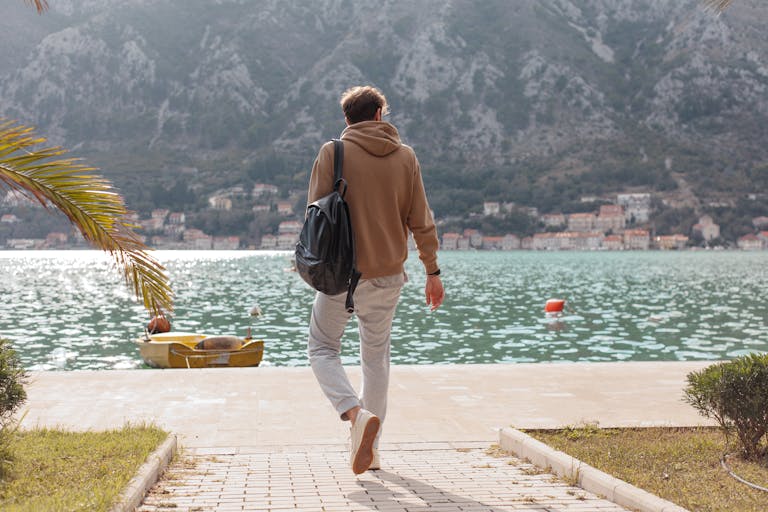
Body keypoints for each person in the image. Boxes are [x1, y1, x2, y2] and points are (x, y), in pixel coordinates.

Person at [306, 85, 444, 475]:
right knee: (376, 360)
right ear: (380, 115)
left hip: (340, 276)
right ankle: (374, 451)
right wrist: (432, 272)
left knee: (321, 348)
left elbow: (315, 215)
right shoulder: (406, 157)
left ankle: (354, 415)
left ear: (347, 119)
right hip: (388, 276)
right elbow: (422, 221)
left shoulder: (333, 153)